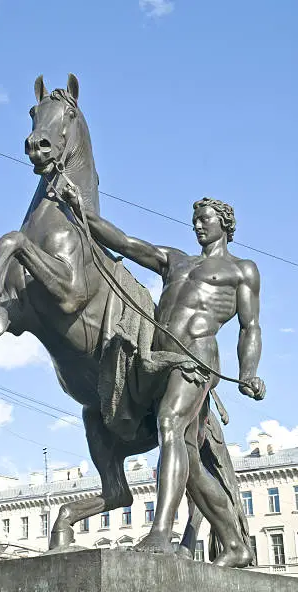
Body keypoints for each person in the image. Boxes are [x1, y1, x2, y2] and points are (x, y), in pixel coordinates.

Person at [63, 189, 265, 567]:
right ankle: (235, 544)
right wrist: (80, 210)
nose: (198, 224)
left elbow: (249, 327)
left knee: (168, 423)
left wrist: (248, 372)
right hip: (159, 357)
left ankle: (160, 532)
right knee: (186, 455)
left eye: (205, 218)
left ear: (224, 223)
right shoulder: (175, 260)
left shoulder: (242, 269)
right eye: (195, 220)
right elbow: (124, 241)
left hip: (198, 356)